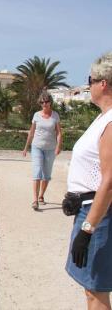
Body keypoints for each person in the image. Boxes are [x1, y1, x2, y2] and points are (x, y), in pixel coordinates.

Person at [65, 52, 112, 309]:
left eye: (90, 80)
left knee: (96, 290)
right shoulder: (103, 117)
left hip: (99, 215)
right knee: (91, 288)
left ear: (103, 83)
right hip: (89, 210)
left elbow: (110, 181)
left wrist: (88, 229)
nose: (88, 85)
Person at [22, 91, 62, 210]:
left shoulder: (55, 115)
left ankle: (41, 195)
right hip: (37, 147)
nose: (45, 104)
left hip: (50, 148)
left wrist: (58, 146)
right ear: (40, 103)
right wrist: (26, 147)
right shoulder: (36, 115)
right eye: (42, 102)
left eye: (47, 101)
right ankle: (35, 200)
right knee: (37, 171)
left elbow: (59, 133)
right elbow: (31, 132)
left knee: (46, 175)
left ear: (50, 102)